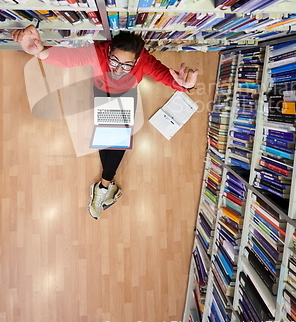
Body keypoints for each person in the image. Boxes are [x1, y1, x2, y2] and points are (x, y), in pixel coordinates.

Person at [11, 25, 198, 219]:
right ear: (109, 51)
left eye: (127, 65)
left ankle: (104, 185)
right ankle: (106, 186)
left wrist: (184, 86)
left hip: (126, 96)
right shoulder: (99, 52)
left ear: (137, 60)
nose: (118, 69)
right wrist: (41, 52)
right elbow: (70, 59)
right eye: (114, 61)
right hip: (101, 93)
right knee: (106, 135)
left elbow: (166, 76)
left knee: (118, 139)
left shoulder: (146, 60)